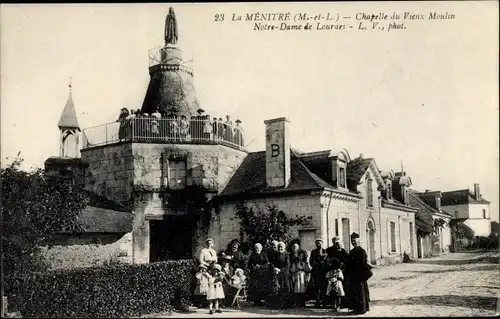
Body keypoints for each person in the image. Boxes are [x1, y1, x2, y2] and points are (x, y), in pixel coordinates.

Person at [345, 232, 371, 314]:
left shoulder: (362, 251)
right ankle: (355, 308)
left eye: (355, 241)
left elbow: (363, 263)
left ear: (358, 242)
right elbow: (348, 262)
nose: (353, 243)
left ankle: (362, 309)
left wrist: (361, 274)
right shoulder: (352, 251)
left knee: (361, 292)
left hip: (360, 275)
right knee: (353, 291)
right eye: (352, 241)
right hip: (353, 275)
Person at [269, 241, 291, 308]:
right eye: (279, 247)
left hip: (284, 273)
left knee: (285, 288)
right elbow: (272, 263)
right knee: (277, 289)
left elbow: (287, 265)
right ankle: (278, 304)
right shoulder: (275, 254)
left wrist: (280, 270)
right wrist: (275, 268)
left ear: (284, 247)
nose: (280, 248)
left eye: (281, 247)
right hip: (277, 273)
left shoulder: (286, 254)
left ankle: (286, 305)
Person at [310, 238, 328, 308]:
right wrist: (316, 265)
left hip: (323, 272)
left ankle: (324, 303)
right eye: (317, 244)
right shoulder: (313, 252)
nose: (318, 245)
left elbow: (326, 261)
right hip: (316, 272)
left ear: (322, 244)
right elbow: (311, 261)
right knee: (317, 288)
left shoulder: (325, 251)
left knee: (324, 287)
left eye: (320, 243)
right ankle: (317, 302)